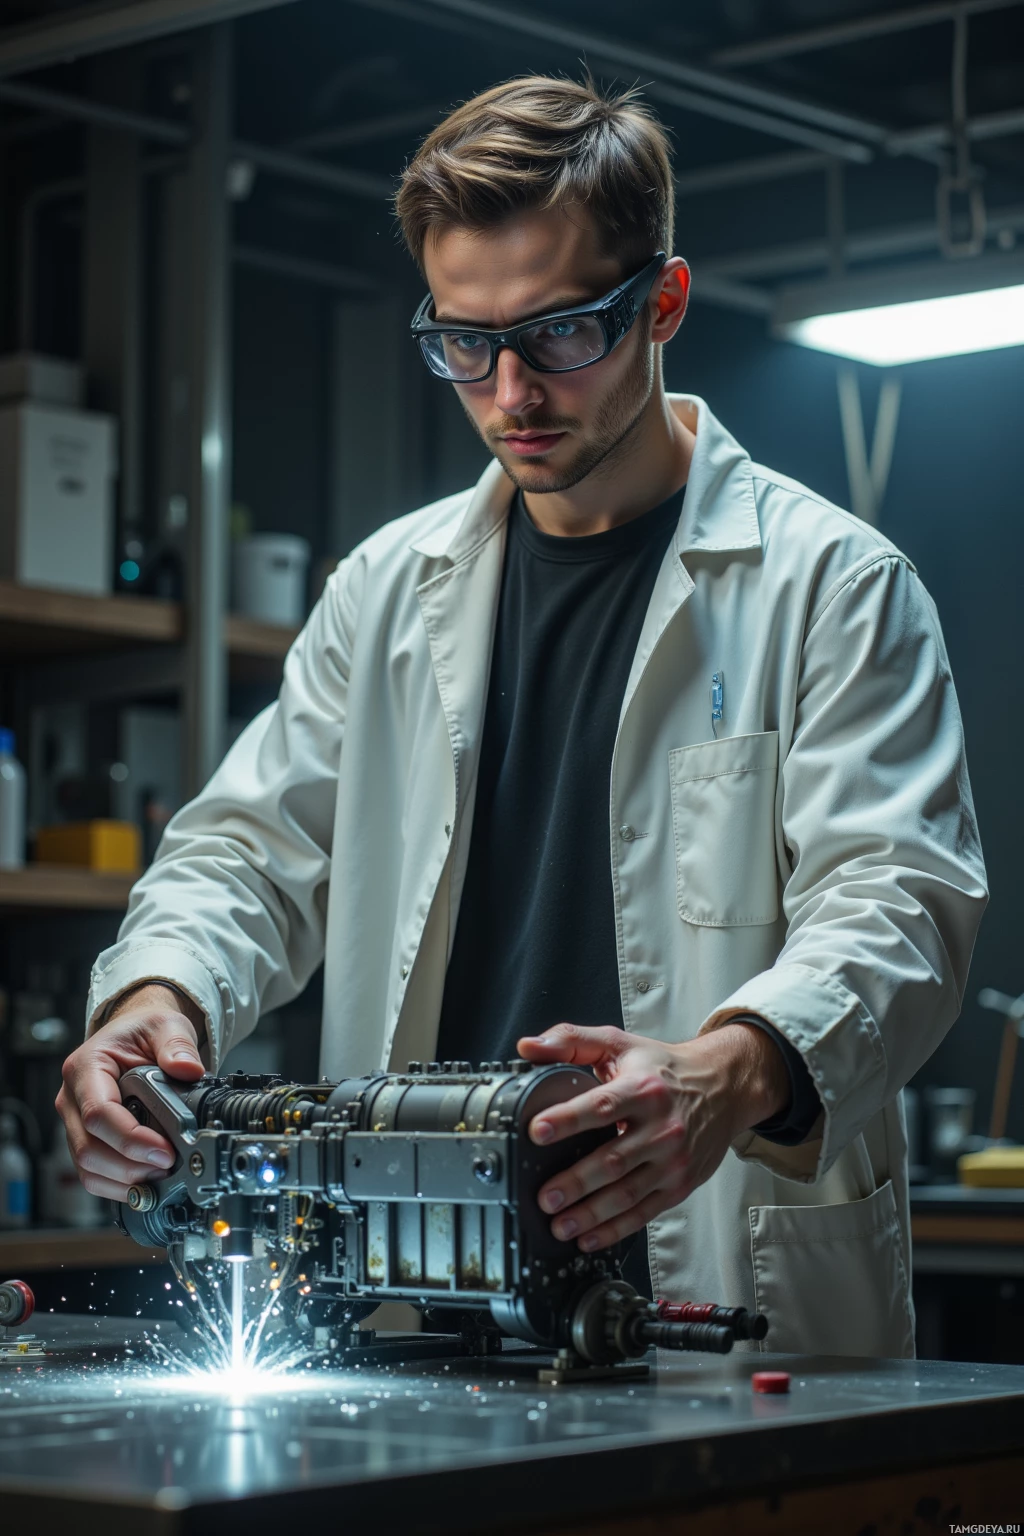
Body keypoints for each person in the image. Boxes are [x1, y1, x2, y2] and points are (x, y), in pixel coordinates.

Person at [58, 77, 987, 1356]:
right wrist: (156, 997)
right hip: (413, 1298)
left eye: (558, 336)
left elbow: (900, 901)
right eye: (463, 342)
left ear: (661, 303)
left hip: (717, 1280)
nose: (508, 394)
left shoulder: (833, 586)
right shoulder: (385, 590)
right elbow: (247, 852)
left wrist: (731, 1068)